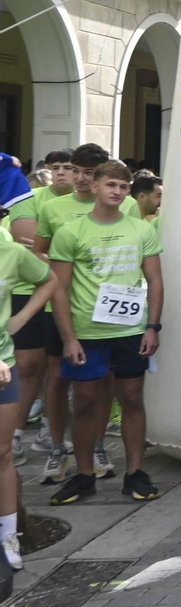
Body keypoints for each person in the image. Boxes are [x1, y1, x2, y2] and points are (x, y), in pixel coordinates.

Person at [46, 162, 163, 505]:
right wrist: (69, 338)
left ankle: (135, 473)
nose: (117, 191)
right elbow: (59, 290)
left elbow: (155, 281)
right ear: (94, 186)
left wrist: (153, 326)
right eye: (111, 184)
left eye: (123, 187)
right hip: (88, 332)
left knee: (131, 398)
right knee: (84, 401)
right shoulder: (71, 232)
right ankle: (83, 476)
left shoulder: (141, 229)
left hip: (130, 330)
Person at [8, 149, 73, 467]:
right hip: (25, 292)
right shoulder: (30, 196)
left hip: (72, 295)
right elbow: (26, 245)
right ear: (48, 169)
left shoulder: (91, 200)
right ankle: (15, 435)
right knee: (29, 367)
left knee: (59, 372)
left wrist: (51, 249)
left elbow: (43, 248)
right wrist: (65, 252)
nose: (62, 173)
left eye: (69, 167)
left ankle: (52, 431)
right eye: (56, 167)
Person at [0, 222, 56, 567]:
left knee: (3, 453)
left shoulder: (12, 252)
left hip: (5, 367)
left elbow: (48, 280)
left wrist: (19, 319)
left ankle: (8, 539)